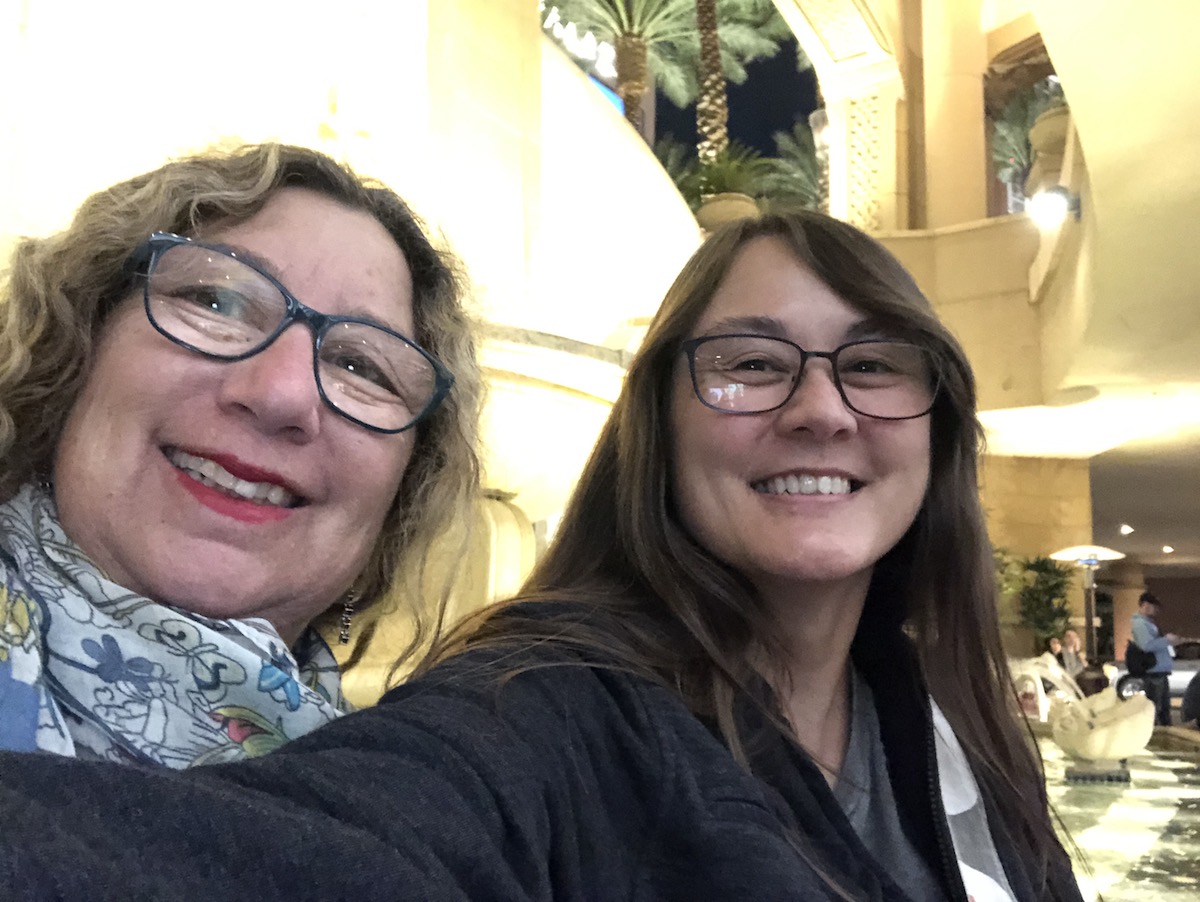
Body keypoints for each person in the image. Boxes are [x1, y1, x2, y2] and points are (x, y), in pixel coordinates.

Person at [0, 211, 1081, 901]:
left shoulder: (959, 726)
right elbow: (345, 840)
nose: (819, 408)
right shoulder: (544, 707)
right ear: (657, 422)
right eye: (750, 362)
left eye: (876, 364)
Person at [0, 144, 481, 766]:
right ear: (76, 350)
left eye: (361, 366)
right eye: (214, 301)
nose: (282, 393)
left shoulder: (414, 810)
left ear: (403, 497)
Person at [1131, 591, 1178, 726]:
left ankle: (1163, 736)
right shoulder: (1140, 624)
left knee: (1162, 709)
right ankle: (1158, 738)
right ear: (1145, 605)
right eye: (1154, 606)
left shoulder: (1148, 623)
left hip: (1158, 671)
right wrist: (1166, 640)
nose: (1156, 610)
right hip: (1153, 672)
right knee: (1157, 709)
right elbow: (1147, 646)